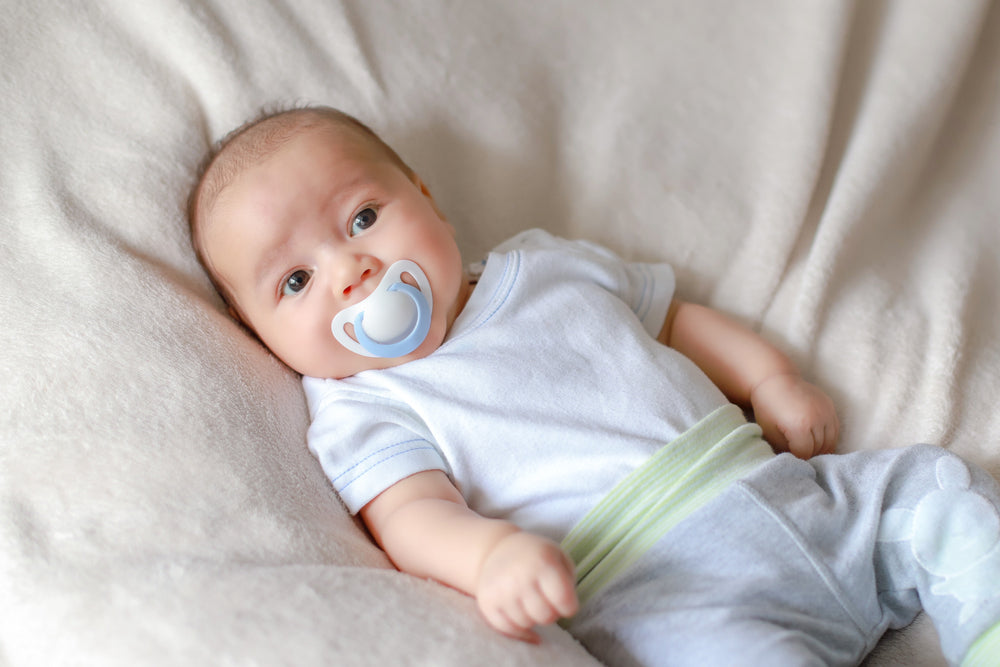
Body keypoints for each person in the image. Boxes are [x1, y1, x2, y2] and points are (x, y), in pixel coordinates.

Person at [188, 105, 1000, 666]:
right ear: (263, 337)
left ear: (426, 199)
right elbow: (409, 514)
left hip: (800, 498)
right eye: (294, 281)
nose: (349, 269)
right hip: (669, 590)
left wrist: (770, 376)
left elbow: (675, 321)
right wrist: (491, 555)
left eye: (363, 218)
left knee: (939, 486)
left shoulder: (544, 265)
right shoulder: (364, 403)